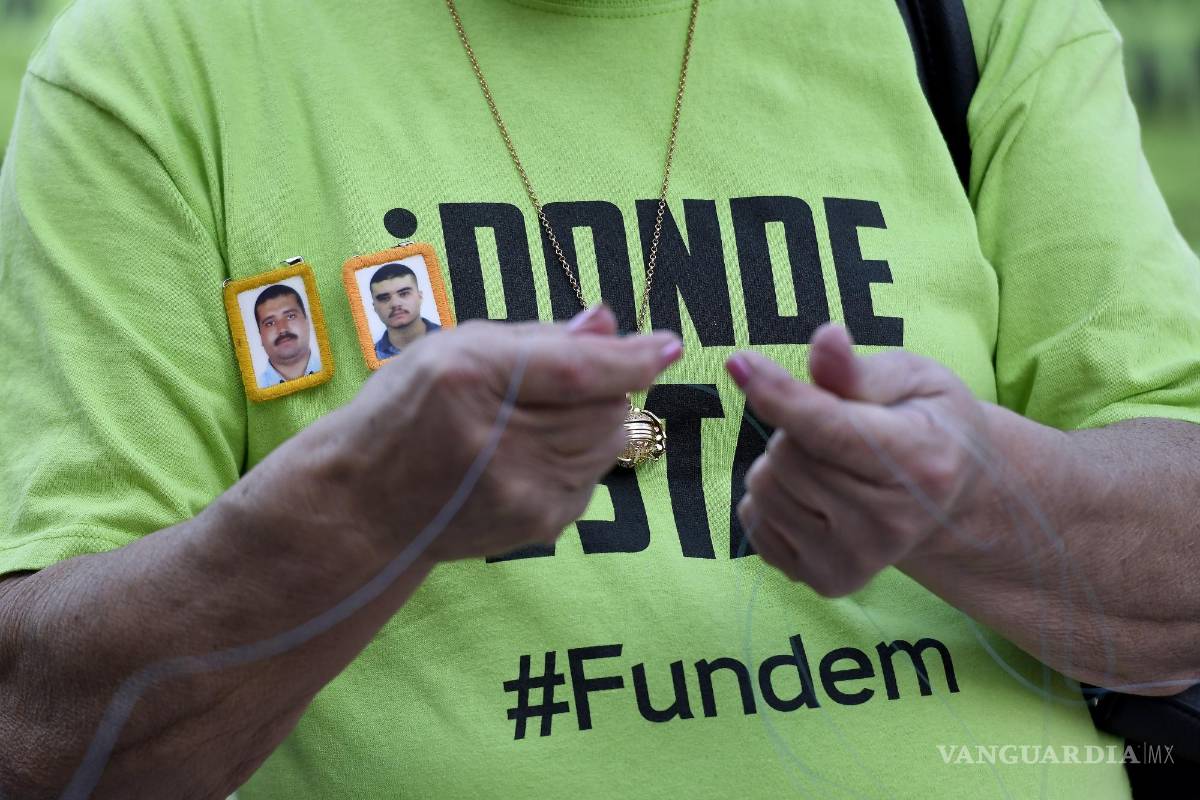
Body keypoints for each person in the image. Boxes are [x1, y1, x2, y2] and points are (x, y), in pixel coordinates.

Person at [0, 1, 1197, 798]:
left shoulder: (970, 15)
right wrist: (355, 520)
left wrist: (984, 499)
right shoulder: (159, 52)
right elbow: (49, 737)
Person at [368, 261, 441, 360]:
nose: (395, 304)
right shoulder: (370, 359)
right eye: (384, 298)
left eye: (404, 293)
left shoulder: (453, 337)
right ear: (374, 307)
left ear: (420, 296)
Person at [253, 284, 321, 385]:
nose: (282, 329)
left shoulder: (338, 370)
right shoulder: (256, 389)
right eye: (270, 323)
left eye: (290, 316)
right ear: (260, 336)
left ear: (307, 322)